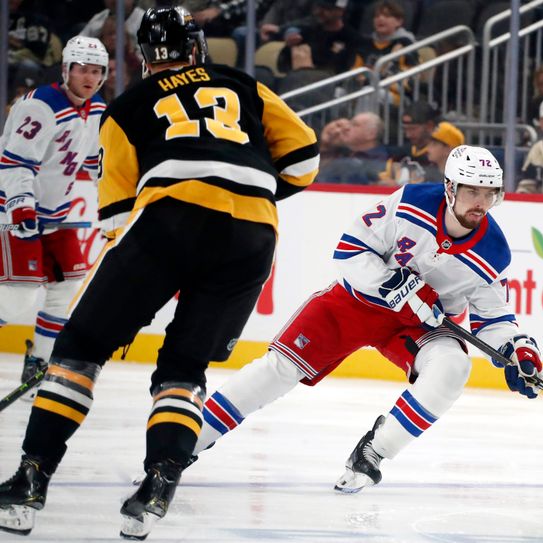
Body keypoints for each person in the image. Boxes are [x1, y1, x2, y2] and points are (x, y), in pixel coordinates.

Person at [0, 6, 319, 540]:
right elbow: (305, 159)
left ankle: (31, 479)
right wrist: (250, 186)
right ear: (197, 47)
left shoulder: (126, 106)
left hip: (169, 219)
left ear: (144, 57)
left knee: (79, 347)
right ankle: (157, 487)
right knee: (184, 368)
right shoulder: (242, 84)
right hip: (254, 234)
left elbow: (117, 215)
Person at [194, 144, 543, 495]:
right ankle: (187, 440)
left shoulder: (494, 251)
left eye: (489, 193)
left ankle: (373, 452)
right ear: (450, 187)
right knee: (277, 370)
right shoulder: (410, 202)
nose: (480, 202)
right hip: (355, 304)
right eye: (472, 191)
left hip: (417, 328)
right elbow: (349, 250)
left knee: (452, 367)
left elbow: (495, 317)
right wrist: (398, 285)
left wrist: (517, 350)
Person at [0, 36, 108, 400]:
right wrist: (21, 206)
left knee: (64, 292)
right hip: (14, 212)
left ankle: (39, 365)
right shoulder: (40, 106)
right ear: (66, 70)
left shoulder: (96, 110)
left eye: (97, 71)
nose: (89, 78)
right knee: (17, 299)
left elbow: (96, 166)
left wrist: (120, 203)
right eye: (83, 69)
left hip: (57, 217)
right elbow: (15, 161)